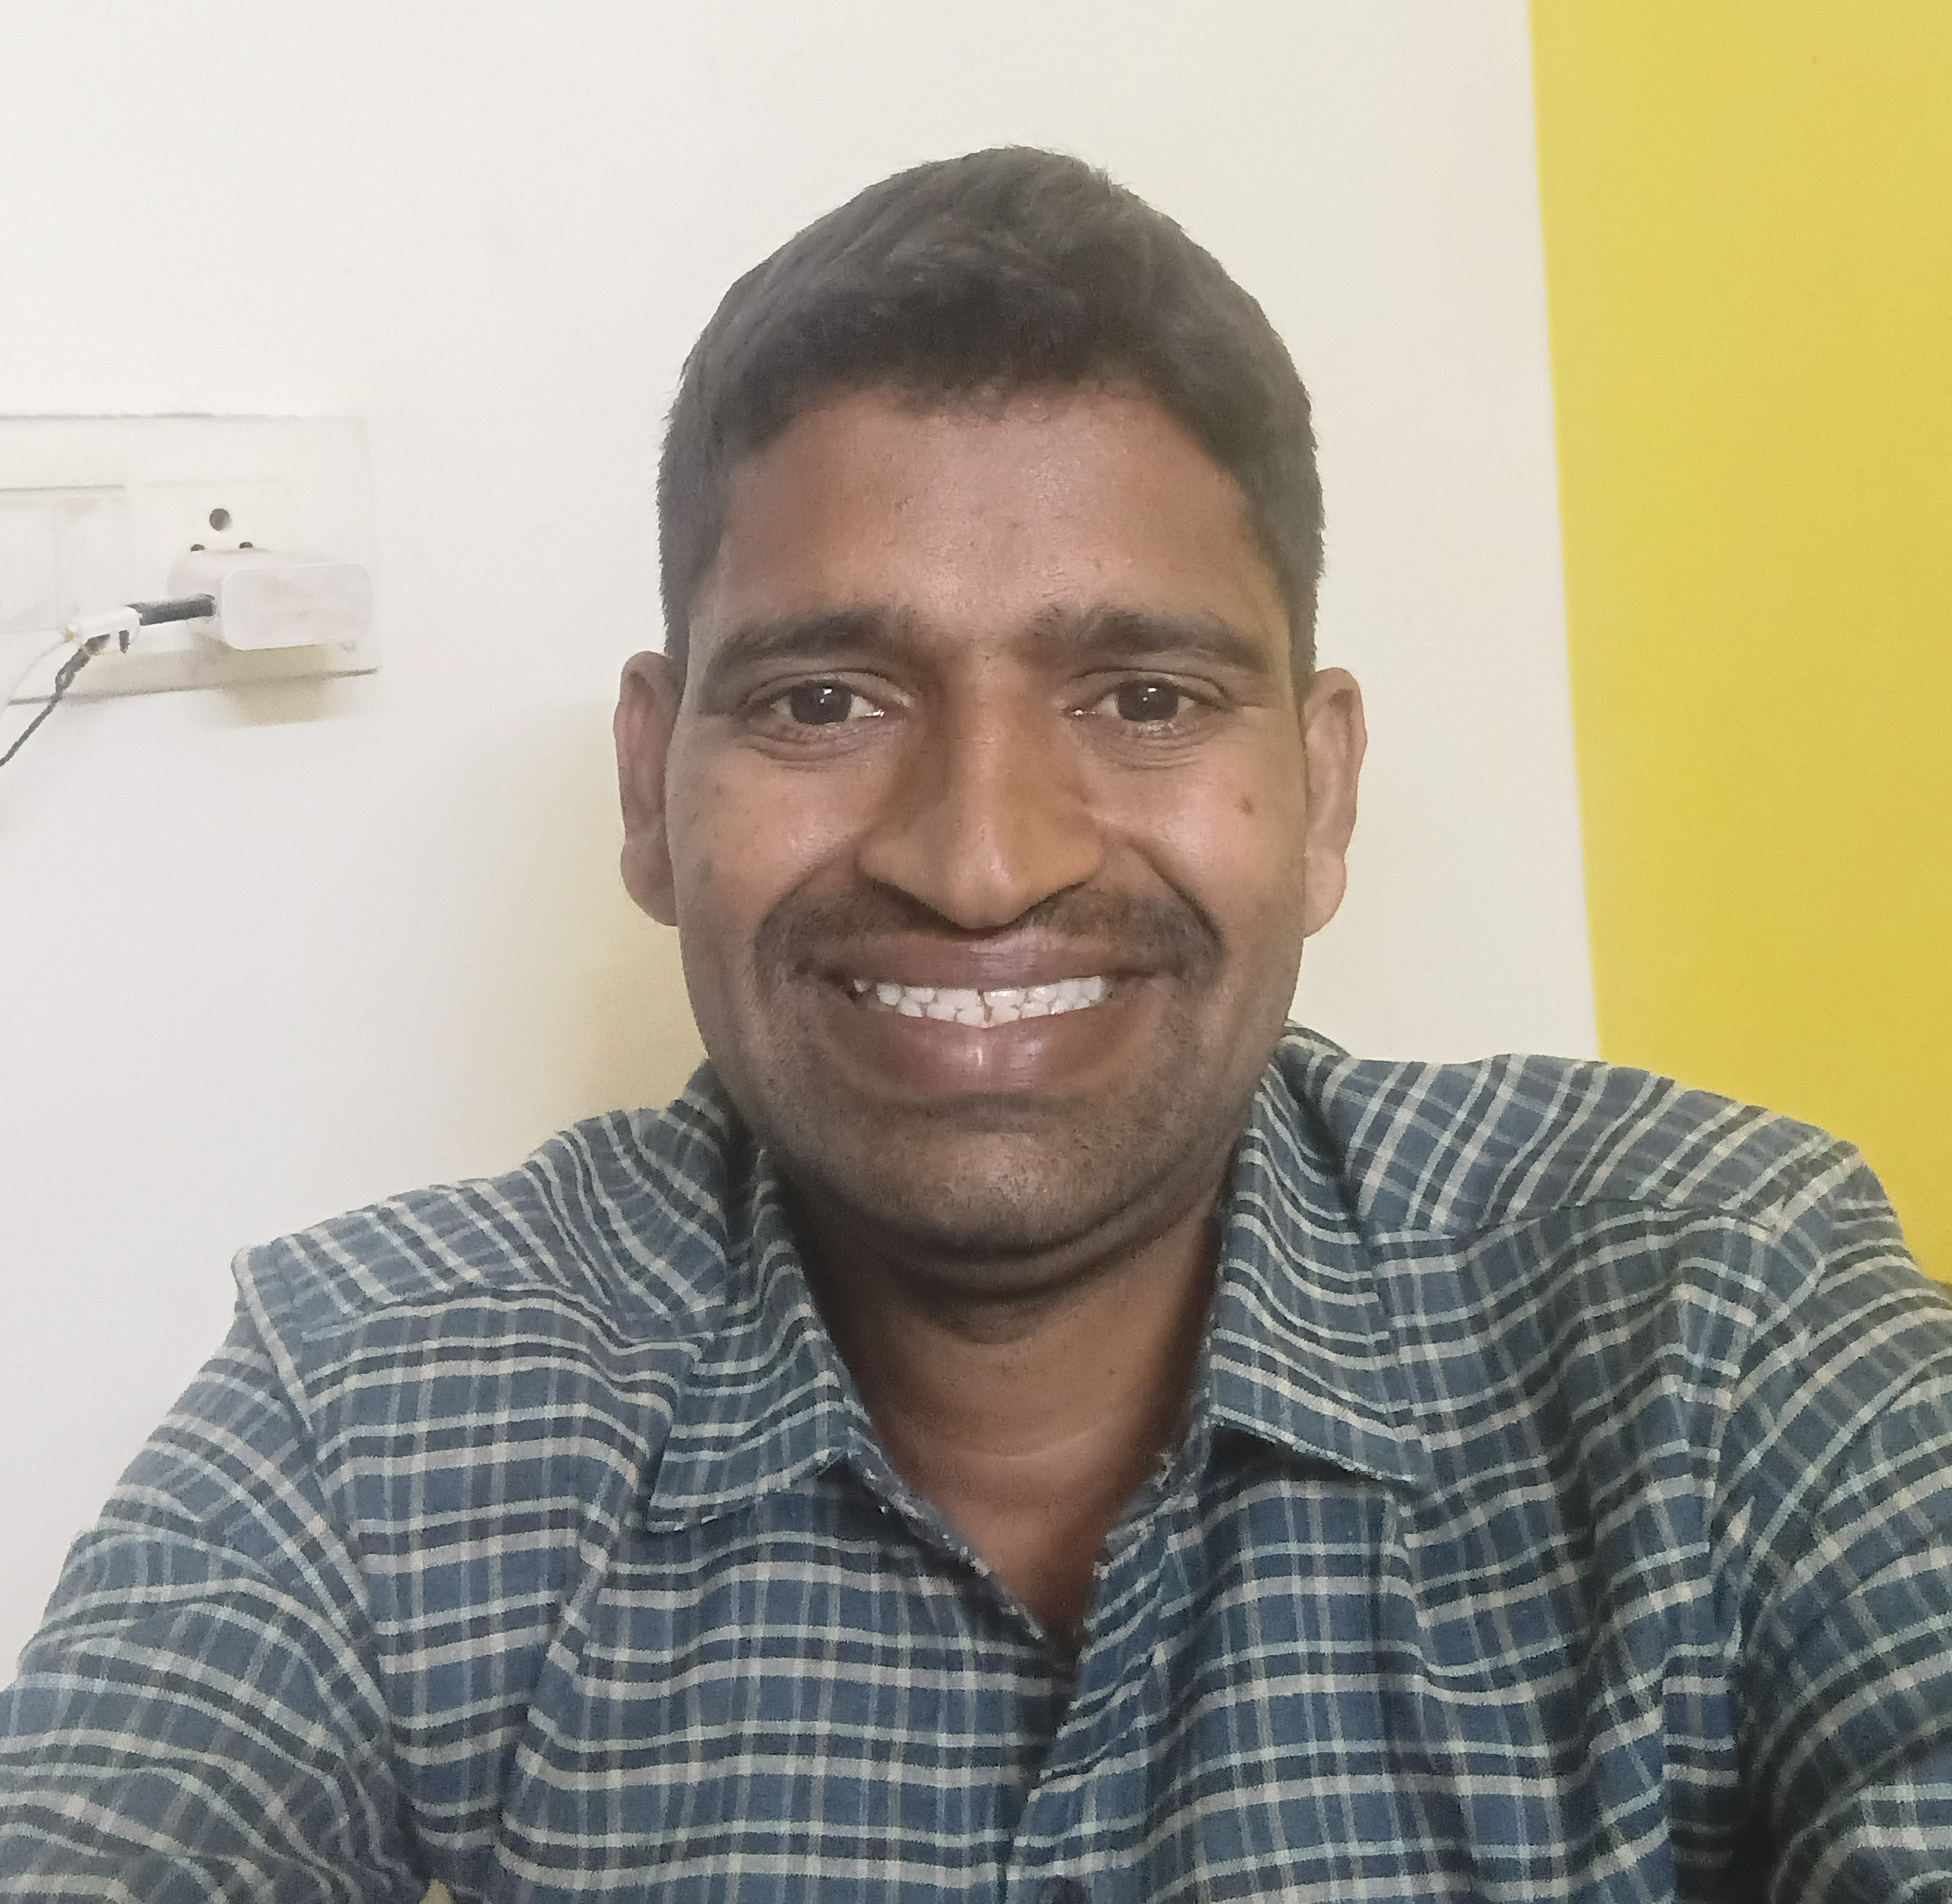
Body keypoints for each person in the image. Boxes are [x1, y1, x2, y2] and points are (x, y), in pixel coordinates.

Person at [2, 147, 1948, 1901]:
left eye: (1147, 698)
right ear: (650, 789)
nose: (984, 861)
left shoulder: (1717, 1309)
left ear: (1325, 792)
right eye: (827, 701)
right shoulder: (372, 1410)